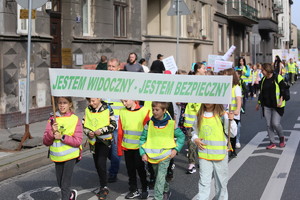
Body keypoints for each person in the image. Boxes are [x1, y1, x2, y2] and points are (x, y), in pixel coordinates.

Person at [140, 102, 185, 200]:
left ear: (164, 111)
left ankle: (158, 197)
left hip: (165, 155)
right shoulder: (149, 124)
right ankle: (166, 189)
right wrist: (143, 153)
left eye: (157, 110)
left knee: (160, 178)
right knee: (158, 177)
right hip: (153, 156)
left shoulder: (171, 124)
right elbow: (142, 139)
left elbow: (181, 136)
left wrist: (176, 150)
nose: (154, 112)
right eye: (153, 110)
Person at [192, 104, 236, 200]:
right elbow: (194, 132)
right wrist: (195, 139)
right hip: (204, 155)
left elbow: (232, 134)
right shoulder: (199, 115)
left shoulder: (222, 114)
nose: (208, 101)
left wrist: (231, 121)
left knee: (221, 183)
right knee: (204, 182)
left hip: (220, 155)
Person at [43, 97, 83, 200]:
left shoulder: (75, 119)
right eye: (60, 103)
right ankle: (71, 195)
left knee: (65, 185)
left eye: (65, 103)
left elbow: (78, 141)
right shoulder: (52, 119)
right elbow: (45, 141)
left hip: (71, 156)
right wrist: (52, 133)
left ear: (70, 104)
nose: (62, 105)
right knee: (60, 183)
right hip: (57, 156)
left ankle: (66, 196)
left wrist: (62, 137)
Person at [82, 98, 117, 200]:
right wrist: (89, 132)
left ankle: (104, 187)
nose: (91, 103)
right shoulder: (87, 109)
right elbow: (84, 124)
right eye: (89, 101)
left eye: (93, 101)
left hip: (104, 141)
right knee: (97, 164)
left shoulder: (107, 109)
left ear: (99, 98)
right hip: (93, 142)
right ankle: (102, 181)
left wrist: (101, 131)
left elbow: (113, 125)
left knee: (101, 162)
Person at [118, 100, 150, 199]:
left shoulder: (144, 111)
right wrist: (119, 148)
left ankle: (145, 188)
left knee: (140, 169)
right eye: (122, 101)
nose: (124, 103)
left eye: (126, 101)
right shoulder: (122, 111)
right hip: (127, 146)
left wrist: (147, 148)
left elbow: (149, 130)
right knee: (130, 169)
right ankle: (133, 189)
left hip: (139, 147)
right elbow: (120, 131)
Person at [256, 63, 286, 149]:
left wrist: (281, 100)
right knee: (269, 125)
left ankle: (282, 138)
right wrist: (258, 103)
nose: (261, 72)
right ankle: (272, 142)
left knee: (275, 123)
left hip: (277, 105)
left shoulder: (277, 77)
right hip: (267, 105)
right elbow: (261, 93)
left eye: (263, 70)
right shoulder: (263, 80)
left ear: (268, 70)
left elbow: (283, 90)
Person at [105, 58, 124, 183]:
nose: (111, 68)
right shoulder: (103, 82)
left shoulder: (123, 83)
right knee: (106, 150)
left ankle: (113, 173)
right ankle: (115, 160)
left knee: (115, 149)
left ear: (118, 68)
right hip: (104, 123)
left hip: (117, 123)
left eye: (113, 66)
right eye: (109, 66)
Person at [223, 68, 242, 155]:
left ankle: (233, 149)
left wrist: (237, 109)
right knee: (225, 130)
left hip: (233, 113)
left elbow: (238, 99)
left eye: (226, 74)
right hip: (225, 112)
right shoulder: (225, 86)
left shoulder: (236, 87)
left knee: (233, 131)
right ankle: (227, 147)